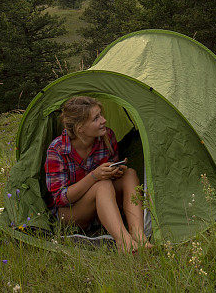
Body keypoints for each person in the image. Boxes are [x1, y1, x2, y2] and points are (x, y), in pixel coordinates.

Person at [44, 95, 151, 251]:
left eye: (101, 115)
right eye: (96, 118)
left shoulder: (107, 137)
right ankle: (124, 242)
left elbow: (111, 175)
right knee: (102, 185)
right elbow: (61, 199)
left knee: (129, 174)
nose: (103, 120)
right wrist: (94, 176)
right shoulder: (57, 150)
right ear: (80, 128)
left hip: (104, 204)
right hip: (71, 214)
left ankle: (139, 237)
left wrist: (115, 171)